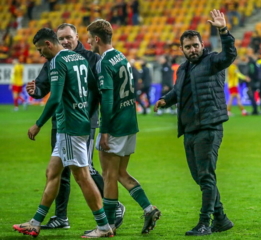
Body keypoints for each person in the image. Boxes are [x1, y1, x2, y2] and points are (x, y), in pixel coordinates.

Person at [13, 28, 114, 238]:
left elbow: (55, 98)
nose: (41, 54)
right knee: (52, 173)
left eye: (41, 49)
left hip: (69, 127)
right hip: (76, 123)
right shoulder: (78, 58)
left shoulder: (57, 62)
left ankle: (103, 226)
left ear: (49, 44)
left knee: (83, 177)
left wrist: (38, 124)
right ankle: (35, 222)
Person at [154, 9, 235, 236]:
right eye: (188, 47)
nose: (193, 50)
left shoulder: (212, 62)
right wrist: (165, 100)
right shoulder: (182, 69)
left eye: (196, 45)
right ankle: (221, 219)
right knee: (200, 177)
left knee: (206, 176)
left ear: (202, 45)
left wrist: (223, 30)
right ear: (182, 49)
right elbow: (179, 92)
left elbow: (229, 54)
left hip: (209, 127)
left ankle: (204, 222)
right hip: (189, 129)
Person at [86, 19, 161, 235]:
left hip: (116, 124)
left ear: (97, 38)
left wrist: (105, 131)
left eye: (90, 37)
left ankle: (107, 226)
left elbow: (107, 100)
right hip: (130, 122)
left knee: (109, 174)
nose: (88, 41)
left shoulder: (103, 62)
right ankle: (148, 208)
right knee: (120, 172)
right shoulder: (120, 55)